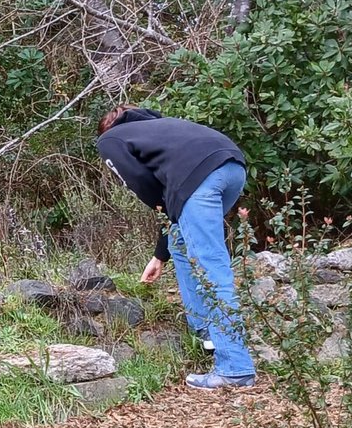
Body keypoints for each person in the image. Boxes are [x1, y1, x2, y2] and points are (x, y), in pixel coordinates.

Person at [96, 106, 256, 389]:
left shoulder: (112, 139)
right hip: (232, 168)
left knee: (210, 266)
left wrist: (159, 207)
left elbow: (145, 185)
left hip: (199, 180)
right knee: (182, 244)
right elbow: (174, 201)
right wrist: (160, 255)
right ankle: (206, 333)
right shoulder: (162, 127)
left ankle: (235, 367)